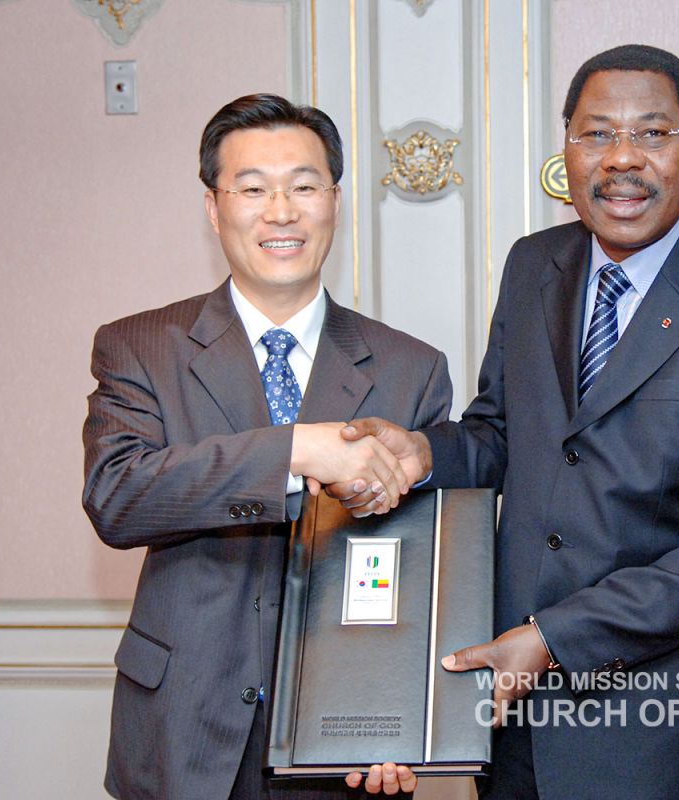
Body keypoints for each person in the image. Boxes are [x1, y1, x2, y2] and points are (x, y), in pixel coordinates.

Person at [334, 45, 679, 799]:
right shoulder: (535, 265)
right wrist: (422, 453)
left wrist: (559, 640)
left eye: (653, 134)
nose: (622, 159)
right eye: (596, 133)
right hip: (510, 710)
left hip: (663, 728)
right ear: (566, 148)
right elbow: (499, 435)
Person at [82, 94, 442, 800]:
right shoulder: (138, 347)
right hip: (179, 728)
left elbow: (420, 568)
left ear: (334, 202)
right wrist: (295, 452)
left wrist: (404, 720)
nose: (281, 211)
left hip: (340, 739)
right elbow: (117, 498)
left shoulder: (411, 368)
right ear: (215, 209)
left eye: (304, 186)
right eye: (252, 188)